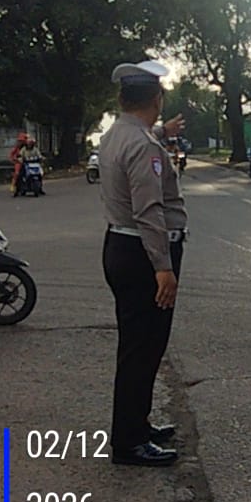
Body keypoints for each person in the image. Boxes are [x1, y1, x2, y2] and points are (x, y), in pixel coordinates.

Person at [98, 60, 188, 467]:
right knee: (143, 349)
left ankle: (137, 423)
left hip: (121, 245)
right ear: (156, 98)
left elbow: (141, 142)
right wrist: (163, 267)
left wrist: (162, 131)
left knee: (139, 346)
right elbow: (149, 210)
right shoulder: (144, 146)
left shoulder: (116, 134)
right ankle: (129, 441)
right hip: (143, 254)